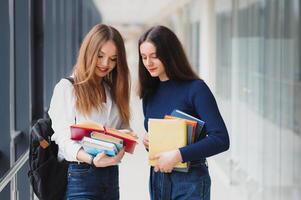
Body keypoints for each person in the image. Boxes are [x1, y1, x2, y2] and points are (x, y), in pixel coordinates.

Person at [138, 25, 230, 200]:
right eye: (144, 57)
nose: (148, 63)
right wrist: (148, 141)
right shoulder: (150, 92)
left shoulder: (196, 89)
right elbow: (160, 137)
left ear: (170, 55)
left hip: (190, 181)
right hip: (158, 177)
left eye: (154, 56)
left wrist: (178, 155)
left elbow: (221, 139)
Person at [48, 24, 133, 200]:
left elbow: (122, 128)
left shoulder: (112, 90)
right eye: (100, 56)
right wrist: (92, 159)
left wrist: (126, 137)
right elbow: (63, 139)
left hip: (110, 175)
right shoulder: (67, 88)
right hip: (80, 175)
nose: (105, 64)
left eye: (113, 59)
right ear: (89, 52)